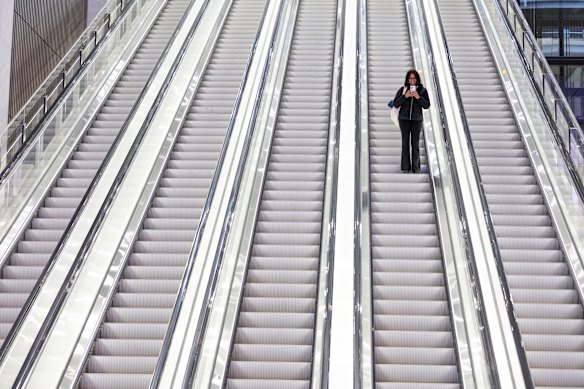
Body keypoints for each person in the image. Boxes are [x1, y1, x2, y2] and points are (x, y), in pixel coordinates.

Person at [392, 69, 430, 173]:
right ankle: (405, 167)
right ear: (407, 80)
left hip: (416, 120)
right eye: (410, 79)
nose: (412, 81)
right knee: (405, 143)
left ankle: (416, 168)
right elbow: (395, 103)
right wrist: (405, 96)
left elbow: (427, 105)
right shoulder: (403, 90)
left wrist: (418, 97)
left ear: (417, 79)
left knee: (415, 144)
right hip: (404, 119)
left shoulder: (423, 91)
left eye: (414, 78)